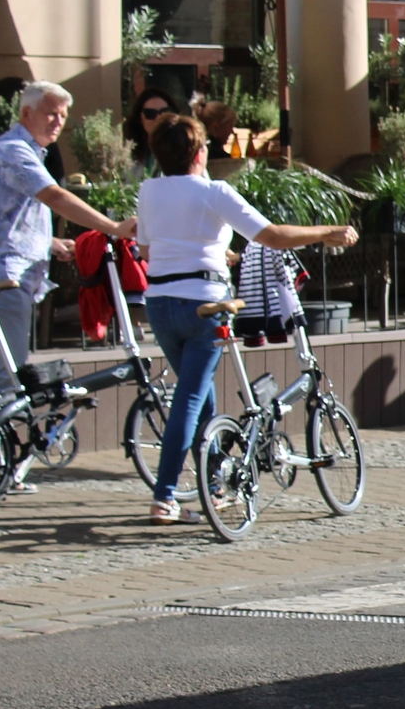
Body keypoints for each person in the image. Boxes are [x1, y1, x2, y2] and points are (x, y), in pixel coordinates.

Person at [134, 114, 358, 524]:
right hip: (205, 305)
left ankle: (215, 482)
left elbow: (149, 252)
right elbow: (270, 236)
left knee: (200, 396)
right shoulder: (214, 191)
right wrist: (327, 231)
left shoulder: (149, 191)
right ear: (201, 153)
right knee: (188, 399)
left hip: (160, 303)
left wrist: (215, 255)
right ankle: (164, 496)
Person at [0, 82, 134, 407]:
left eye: (63, 116)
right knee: (2, 378)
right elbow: (54, 196)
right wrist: (113, 227)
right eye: (50, 113)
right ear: (26, 113)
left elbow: (6, 216)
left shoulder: (20, 149)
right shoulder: (14, 150)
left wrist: (50, 243)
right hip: (5, 280)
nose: (58, 122)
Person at [124, 87, 178, 168]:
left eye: (165, 112)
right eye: (150, 113)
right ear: (140, 118)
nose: (158, 118)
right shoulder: (129, 154)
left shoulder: (184, 150)